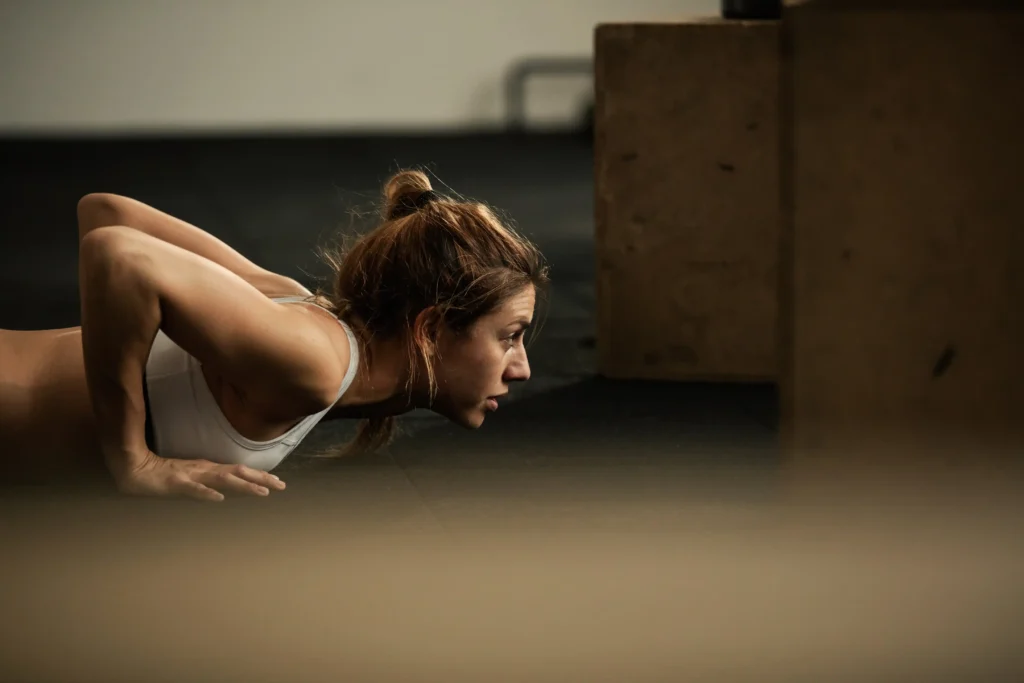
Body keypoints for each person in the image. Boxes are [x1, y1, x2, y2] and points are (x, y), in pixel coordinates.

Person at [0, 170, 548, 501]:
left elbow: (105, 211)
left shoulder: (308, 316)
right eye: (509, 336)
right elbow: (116, 252)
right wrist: (131, 458)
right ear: (429, 330)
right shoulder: (314, 362)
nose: (521, 367)